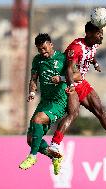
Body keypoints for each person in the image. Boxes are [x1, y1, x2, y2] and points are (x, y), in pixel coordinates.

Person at [48, 21, 106, 158]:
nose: (101, 36)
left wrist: (95, 63)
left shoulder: (94, 44)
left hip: (82, 82)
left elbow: (91, 55)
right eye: (98, 34)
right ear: (89, 34)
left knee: (101, 111)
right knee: (73, 114)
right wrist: (70, 85)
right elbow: (68, 68)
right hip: (69, 82)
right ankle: (54, 144)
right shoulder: (76, 47)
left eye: (102, 34)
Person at [19, 33, 81, 174]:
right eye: (40, 49)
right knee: (31, 138)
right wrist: (32, 92)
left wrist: (61, 78)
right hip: (44, 102)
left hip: (59, 102)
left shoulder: (63, 58)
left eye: (45, 48)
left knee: (37, 119)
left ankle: (32, 156)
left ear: (51, 44)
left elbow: (78, 75)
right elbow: (33, 79)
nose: (43, 52)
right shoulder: (37, 60)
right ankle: (53, 156)